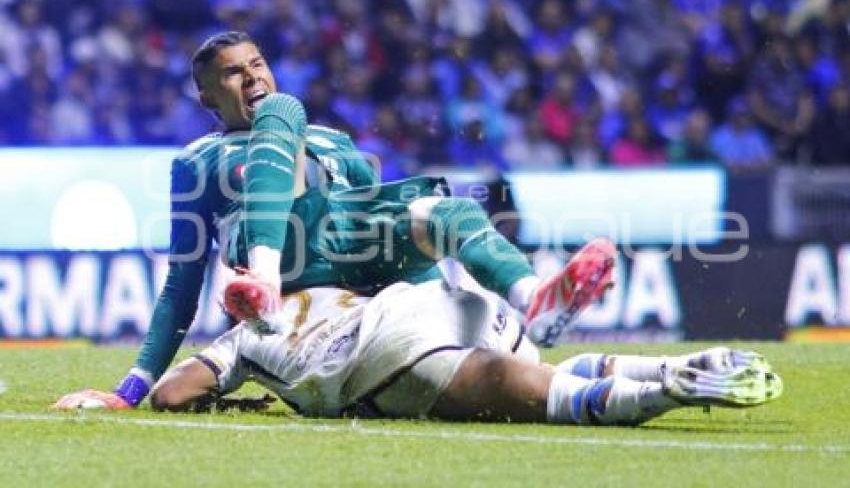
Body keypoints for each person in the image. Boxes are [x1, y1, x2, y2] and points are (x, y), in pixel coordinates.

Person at [53, 31, 614, 410]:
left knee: (444, 209)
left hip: (355, 252)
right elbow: (182, 281)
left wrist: (454, 310)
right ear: (206, 97)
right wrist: (131, 389)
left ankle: (535, 298)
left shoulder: (333, 142)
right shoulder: (198, 161)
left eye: (257, 64)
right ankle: (265, 285)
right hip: (285, 256)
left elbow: (379, 217)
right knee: (283, 111)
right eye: (231, 74)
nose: (251, 77)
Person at [140, 281, 781, 425]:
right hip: (433, 299)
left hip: (383, 358)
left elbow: (173, 393)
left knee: (540, 397)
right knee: (543, 371)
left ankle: (669, 391)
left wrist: (238, 397)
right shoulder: (328, 288)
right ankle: (670, 366)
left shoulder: (244, 337)